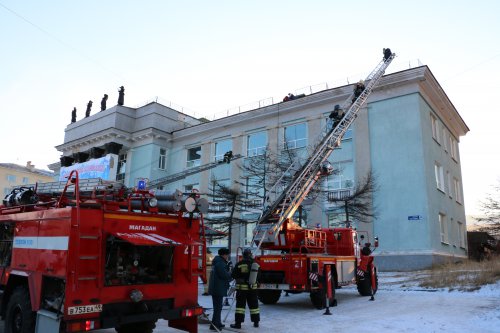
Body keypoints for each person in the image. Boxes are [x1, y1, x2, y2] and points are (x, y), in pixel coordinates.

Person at [230, 248, 260, 329]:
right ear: (250, 254)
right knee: (254, 306)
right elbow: (259, 276)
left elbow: (233, 275)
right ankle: (256, 322)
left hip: (242, 290)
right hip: (252, 289)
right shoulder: (255, 264)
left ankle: (238, 324)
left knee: (240, 307)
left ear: (243, 255)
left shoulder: (240, 264)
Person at [208, 248, 233, 331]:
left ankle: (215, 324)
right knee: (218, 308)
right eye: (227, 254)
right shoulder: (220, 263)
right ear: (224, 255)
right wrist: (230, 272)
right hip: (218, 288)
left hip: (217, 287)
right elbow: (224, 275)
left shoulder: (218, 261)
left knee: (217, 307)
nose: (228, 256)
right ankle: (216, 325)